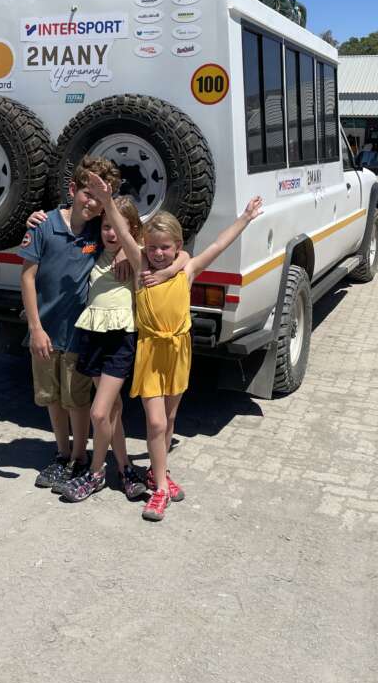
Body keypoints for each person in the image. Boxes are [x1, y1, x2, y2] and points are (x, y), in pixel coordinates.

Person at [87, 170, 263, 522]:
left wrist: (244, 218)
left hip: (179, 351)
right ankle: (161, 492)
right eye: (152, 247)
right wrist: (106, 200)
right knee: (154, 423)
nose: (158, 253)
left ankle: (159, 472)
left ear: (178, 247)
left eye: (165, 248)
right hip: (151, 352)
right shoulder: (140, 269)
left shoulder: (187, 270)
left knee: (169, 420)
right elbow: (124, 232)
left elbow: (218, 245)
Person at [57, 195, 186, 504]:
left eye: (117, 228)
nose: (111, 233)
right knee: (111, 410)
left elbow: (183, 255)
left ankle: (97, 471)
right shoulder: (94, 250)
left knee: (99, 411)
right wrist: (34, 220)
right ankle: (125, 467)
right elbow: (71, 237)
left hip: (121, 338)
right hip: (93, 334)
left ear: (132, 230)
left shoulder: (138, 254)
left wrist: (166, 271)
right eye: (106, 227)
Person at [18, 155, 122, 491]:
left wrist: (122, 249)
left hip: (79, 335)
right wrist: (35, 328)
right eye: (87, 194)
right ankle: (62, 454)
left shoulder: (99, 229)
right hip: (45, 333)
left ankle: (79, 457)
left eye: (99, 198)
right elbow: (27, 277)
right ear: (73, 189)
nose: (92, 203)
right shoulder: (43, 225)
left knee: (76, 400)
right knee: (51, 397)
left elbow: (129, 232)